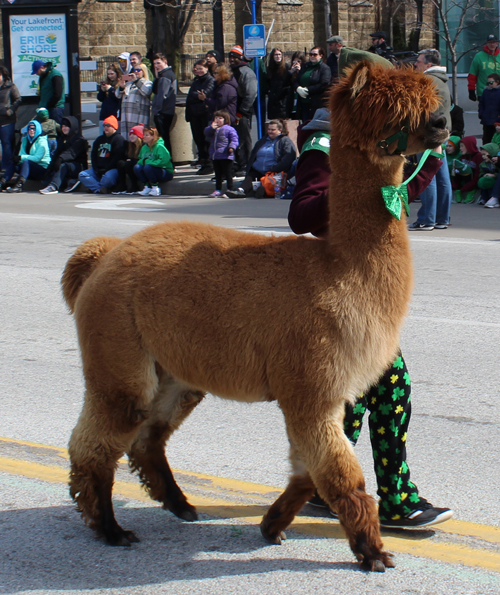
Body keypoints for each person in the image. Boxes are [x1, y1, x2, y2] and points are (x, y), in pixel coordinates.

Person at [289, 107, 453, 528]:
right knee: (391, 388)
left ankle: (327, 488)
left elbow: (390, 201)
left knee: (361, 397)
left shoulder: (380, 144)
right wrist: (356, 182)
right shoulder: (323, 144)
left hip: (370, 287)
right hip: (336, 289)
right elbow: (302, 215)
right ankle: (394, 499)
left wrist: (428, 160)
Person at [409, 49, 452, 231]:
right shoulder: (442, 80)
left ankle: (427, 219)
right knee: (441, 176)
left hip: (428, 133)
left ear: (428, 64)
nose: (416, 64)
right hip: (442, 131)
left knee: (426, 175)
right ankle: (442, 218)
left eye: (418, 61)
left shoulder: (427, 80)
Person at [227, 119, 296, 199]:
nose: (270, 131)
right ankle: (240, 190)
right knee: (250, 177)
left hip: (273, 172)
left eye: (273, 130)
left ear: (280, 130)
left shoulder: (285, 141)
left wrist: (276, 167)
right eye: (269, 129)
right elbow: (253, 154)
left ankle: (262, 192)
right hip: (258, 170)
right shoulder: (263, 140)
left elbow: (288, 157)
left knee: (268, 183)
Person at [39, 116, 88, 195]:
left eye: (66, 126)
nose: (64, 128)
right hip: (66, 166)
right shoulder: (63, 139)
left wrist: (61, 158)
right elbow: (56, 154)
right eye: (63, 126)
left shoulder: (79, 140)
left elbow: (71, 153)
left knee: (62, 166)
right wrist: (49, 169)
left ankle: (53, 187)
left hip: (78, 166)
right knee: (46, 181)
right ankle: (70, 181)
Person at [228, 45, 257, 174]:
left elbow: (251, 94)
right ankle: (238, 163)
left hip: (241, 112)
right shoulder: (231, 71)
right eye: (230, 57)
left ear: (241, 57)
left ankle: (246, 164)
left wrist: (242, 111)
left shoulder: (246, 72)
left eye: (235, 57)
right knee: (234, 138)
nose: (232, 59)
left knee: (244, 138)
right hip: (231, 111)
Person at [78, 115, 125, 194]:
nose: (106, 127)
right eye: (104, 125)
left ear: (114, 127)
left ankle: (94, 187)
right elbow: (93, 155)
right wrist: (96, 168)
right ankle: (99, 189)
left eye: (108, 125)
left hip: (111, 169)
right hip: (98, 169)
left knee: (108, 178)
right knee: (82, 175)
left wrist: (106, 169)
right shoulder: (99, 139)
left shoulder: (118, 139)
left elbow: (117, 158)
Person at [3, 120, 50, 193]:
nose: (31, 130)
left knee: (26, 161)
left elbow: (37, 158)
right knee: (14, 164)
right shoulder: (25, 140)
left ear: (38, 129)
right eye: (29, 128)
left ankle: (19, 185)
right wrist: (18, 159)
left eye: (34, 128)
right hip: (28, 169)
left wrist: (21, 157)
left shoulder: (42, 141)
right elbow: (21, 154)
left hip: (41, 169)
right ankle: (2, 182)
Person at [185, 59, 215, 174]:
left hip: (204, 114)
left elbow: (205, 94)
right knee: (198, 140)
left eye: (200, 68)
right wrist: (196, 95)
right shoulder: (196, 81)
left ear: (206, 68)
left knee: (206, 140)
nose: (198, 71)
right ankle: (202, 161)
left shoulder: (210, 80)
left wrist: (198, 96)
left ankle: (208, 163)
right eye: (196, 68)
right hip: (194, 114)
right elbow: (192, 95)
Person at [204, 109, 239, 198]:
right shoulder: (213, 129)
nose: (218, 120)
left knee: (228, 173)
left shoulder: (228, 129)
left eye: (220, 118)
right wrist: (212, 127)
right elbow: (206, 133)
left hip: (226, 155)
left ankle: (229, 189)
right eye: (216, 118)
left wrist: (232, 147)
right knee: (218, 174)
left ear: (225, 119)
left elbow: (234, 139)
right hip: (215, 155)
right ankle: (218, 189)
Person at [115, 61, 153, 138]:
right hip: (126, 116)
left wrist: (137, 81)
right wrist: (121, 87)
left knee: (137, 137)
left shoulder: (147, 83)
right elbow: (118, 95)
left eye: (138, 70)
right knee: (128, 138)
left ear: (143, 71)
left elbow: (146, 92)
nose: (136, 72)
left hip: (138, 115)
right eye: (134, 70)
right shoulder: (129, 83)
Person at [134, 126, 174, 197]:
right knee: (137, 167)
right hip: (151, 169)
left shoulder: (160, 147)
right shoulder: (144, 147)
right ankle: (147, 187)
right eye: (144, 135)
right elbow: (140, 159)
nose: (144, 137)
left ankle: (155, 188)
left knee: (148, 167)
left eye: (147, 135)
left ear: (153, 137)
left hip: (165, 171)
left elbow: (163, 161)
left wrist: (148, 162)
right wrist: (145, 162)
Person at [294, 47, 331, 121]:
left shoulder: (324, 68)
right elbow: (296, 80)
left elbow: (324, 84)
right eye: (310, 54)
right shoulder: (305, 66)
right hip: (303, 103)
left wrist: (308, 90)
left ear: (321, 55)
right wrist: (298, 88)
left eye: (315, 54)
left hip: (316, 104)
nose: (312, 56)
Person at [151, 53, 177, 157]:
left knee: (163, 138)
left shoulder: (166, 76)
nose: (156, 66)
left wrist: (157, 111)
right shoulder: (164, 75)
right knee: (164, 137)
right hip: (166, 111)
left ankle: (167, 160)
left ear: (165, 62)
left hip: (163, 112)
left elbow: (162, 95)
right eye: (154, 64)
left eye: (158, 63)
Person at [0, 65, 21, 179]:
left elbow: (18, 99)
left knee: (6, 144)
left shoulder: (10, 86)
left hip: (7, 120)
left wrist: (11, 110)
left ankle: (6, 167)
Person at [112, 125, 144, 195]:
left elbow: (142, 159)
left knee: (129, 164)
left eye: (134, 134)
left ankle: (135, 186)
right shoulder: (129, 145)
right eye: (130, 134)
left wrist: (132, 161)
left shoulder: (143, 146)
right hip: (132, 164)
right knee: (121, 163)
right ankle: (123, 185)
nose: (131, 136)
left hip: (140, 165)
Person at [467, 34, 500, 102]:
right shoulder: (479, 56)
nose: (492, 44)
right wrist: (471, 90)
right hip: (483, 92)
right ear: (486, 43)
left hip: (498, 92)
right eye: (490, 42)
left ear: (497, 43)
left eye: (494, 42)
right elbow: (472, 75)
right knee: (484, 112)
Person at [451, 136, 482, 204]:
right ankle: (457, 190)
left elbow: (478, 174)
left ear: (469, 146)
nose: (460, 148)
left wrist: (464, 189)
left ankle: (471, 191)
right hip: (464, 178)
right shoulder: (463, 156)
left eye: (462, 146)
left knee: (467, 170)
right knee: (458, 170)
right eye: (460, 146)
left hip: (473, 180)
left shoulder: (478, 156)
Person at [97, 63, 121, 135]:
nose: (110, 76)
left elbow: (118, 98)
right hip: (104, 115)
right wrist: (102, 90)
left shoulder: (119, 84)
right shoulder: (107, 83)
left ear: (117, 73)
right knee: (102, 135)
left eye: (112, 74)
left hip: (114, 115)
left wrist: (110, 89)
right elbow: (100, 98)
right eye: (108, 74)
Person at [266, 48, 289, 120]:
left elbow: (288, 84)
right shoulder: (269, 68)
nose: (278, 56)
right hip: (273, 100)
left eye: (279, 54)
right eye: (276, 54)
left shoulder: (286, 67)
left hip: (283, 100)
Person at [478, 73, 500, 143]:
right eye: (488, 82)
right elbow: (481, 103)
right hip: (487, 119)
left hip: (497, 120)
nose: (489, 84)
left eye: (491, 82)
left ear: (497, 82)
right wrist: (481, 113)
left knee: (496, 138)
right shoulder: (486, 91)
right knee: (486, 138)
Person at [284, 51, 306, 119]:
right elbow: (285, 83)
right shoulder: (289, 70)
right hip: (292, 100)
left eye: (299, 61)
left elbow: (303, 82)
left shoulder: (305, 70)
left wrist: (300, 71)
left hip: (301, 101)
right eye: (294, 61)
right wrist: (291, 72)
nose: (296, 63)